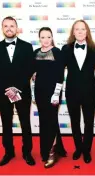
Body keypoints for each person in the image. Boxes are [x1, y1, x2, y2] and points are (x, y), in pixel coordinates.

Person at [0, 16, 35, 166]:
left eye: (12, 26)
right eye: (6, 26)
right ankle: (8, 152)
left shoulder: (27, 47)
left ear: (17, 28)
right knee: (6, 123)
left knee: (25, 123)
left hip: (22, 91)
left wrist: (17, 87)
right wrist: (8, 88)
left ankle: (27, 152)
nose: (9, 28)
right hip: (4, 93)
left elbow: (29, 69)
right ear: (2, 29)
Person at [61, 20, 95, 163]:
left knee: (89, 122)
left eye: (83, 29)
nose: (79, 31)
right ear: (73, 32)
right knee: (75, 121)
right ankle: (78, 148)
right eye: (77, 29)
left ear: (87, 32)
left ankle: (87, 150)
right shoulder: (65, 49)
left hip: (89, 92)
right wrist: (38, 72)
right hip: (71, 92)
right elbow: (57, 69)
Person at [33, 27, 67, 168]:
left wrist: (56, 93)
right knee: (43, 120)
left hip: (53, 92)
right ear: (39, 38)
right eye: (43, 37)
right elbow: (33, 71)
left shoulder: (57, 52)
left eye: (48, 37)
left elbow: (60, 75)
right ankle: (48, 149)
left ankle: (52, 152)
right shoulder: (35, 52)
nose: (46, 40)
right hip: (39, 92)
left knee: (51, 121)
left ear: (52, 37)